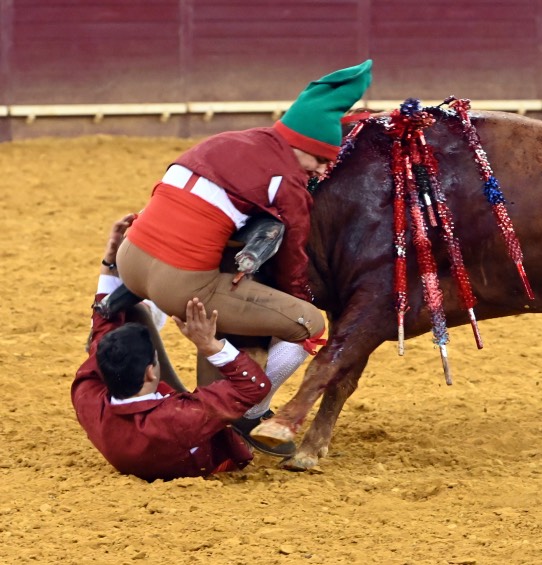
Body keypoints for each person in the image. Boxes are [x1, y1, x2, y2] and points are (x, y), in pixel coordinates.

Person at [115, 61, 373, 441]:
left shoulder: (226, 140)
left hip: (130, 258)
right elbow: (292, 262)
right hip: (181, 283)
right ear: (301, 146)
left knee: (224, 297)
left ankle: (196, 379)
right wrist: (288, 301)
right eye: (320, 159)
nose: (321, 171)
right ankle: (250, 409)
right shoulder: (288, 182)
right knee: (310, 324)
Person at [73, 215, 273, 481]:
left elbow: (101, 327)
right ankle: (251, 424)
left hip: (154, 438)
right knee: (276, 347)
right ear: (149, 373)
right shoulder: (180, 419)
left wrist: (110, 260)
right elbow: (254, 387)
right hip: (209, 451)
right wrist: (210, 345)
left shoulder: (85, 394)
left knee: (129, 310)